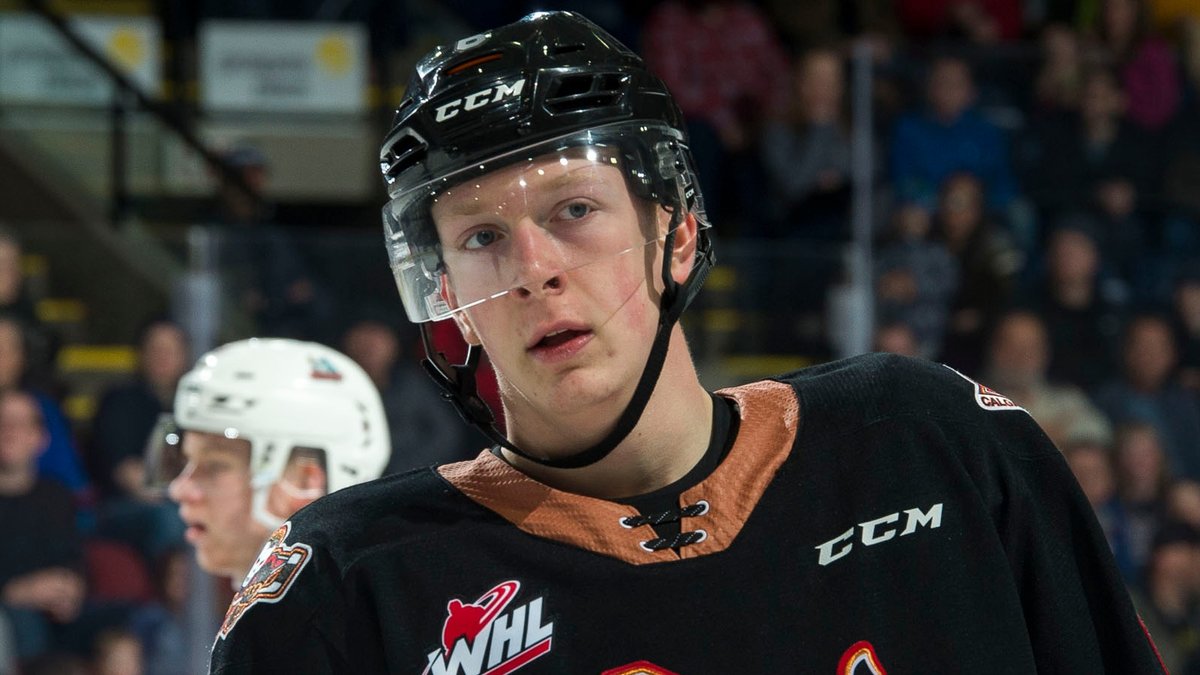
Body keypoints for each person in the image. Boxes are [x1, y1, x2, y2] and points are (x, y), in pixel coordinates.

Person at [210, 12, 1167, 673]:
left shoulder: (934, 441)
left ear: (677, 230)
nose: (536, 268)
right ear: (448, 295)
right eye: (482, 237)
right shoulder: (346, 590)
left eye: (574, 209)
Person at [149, 338, 390, 584]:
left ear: (307, 481)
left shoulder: (348, 619)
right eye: (187, 460)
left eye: (215, 466)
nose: (180, 490)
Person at [0, 390, 86, 667]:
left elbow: (72, 557)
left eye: (19, 424)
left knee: (127, 631)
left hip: (56, 615)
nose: (9, 432)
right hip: (10, 618)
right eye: (2, 423)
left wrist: (72, 588)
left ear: (40, 438)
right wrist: (15, 591)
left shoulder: (56, 496)